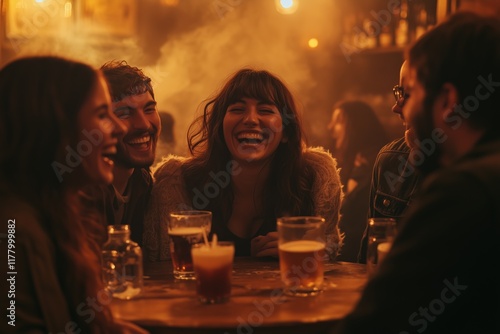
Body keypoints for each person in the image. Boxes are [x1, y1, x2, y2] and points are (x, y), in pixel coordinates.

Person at [330, 12, 500, 334]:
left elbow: (376, 322)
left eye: (409, 93)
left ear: (447, 101)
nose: (399, 108)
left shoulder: (464, 191)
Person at [0, 56, 146, 333]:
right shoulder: (14, 232)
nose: (121, 127)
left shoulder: (50, 212)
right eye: (103, 115)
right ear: (54, 128)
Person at [144, 68, 343, 261]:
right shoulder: (176, 180)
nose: (250, 119)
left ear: (286, 133)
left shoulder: (316, 175)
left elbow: (331, 252)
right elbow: (163, 266)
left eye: (265, 110)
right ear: (220, 127)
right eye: (237, 109)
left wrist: (304, 250)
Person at [90, 60, 161, 247]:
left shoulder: (144, 184)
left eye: (149, 109)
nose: (144, 124)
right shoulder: (80, 192)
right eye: (123, 113)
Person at [357, 61, 422, 263]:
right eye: (398, 93)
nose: (396, 107)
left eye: (407, 94)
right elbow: (368, 263)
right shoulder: (391, 159)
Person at [327, 100, 388, 262]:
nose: (330, 127)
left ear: (358, 127)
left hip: (360, 260)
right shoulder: (351, 163)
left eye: (338, 121)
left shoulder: (374, 165)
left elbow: (350, 220)